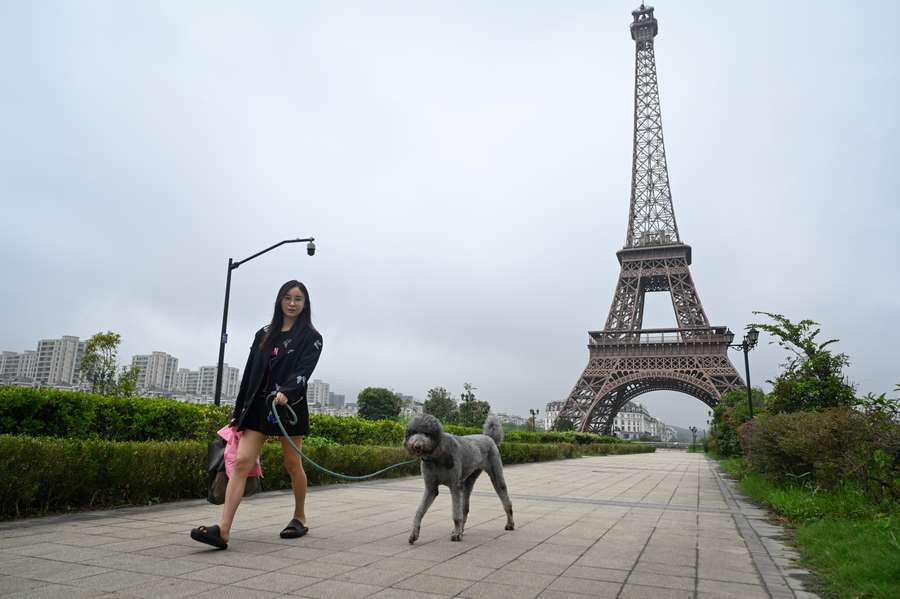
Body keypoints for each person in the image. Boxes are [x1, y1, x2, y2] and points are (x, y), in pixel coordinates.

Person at [191, 280, 323, 549]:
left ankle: (299, 517)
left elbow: (304, 372)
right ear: (279, 301)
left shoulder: (312, 337)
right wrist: (239, 411)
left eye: (298, 299)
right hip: (258, 407)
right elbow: (250, 374)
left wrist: (286, 391)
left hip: (289, 407)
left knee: (292, 464)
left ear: (305, 304)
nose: (292, 303)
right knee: (241, 462)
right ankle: (224, 530)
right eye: (287, 298)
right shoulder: (263, 333)